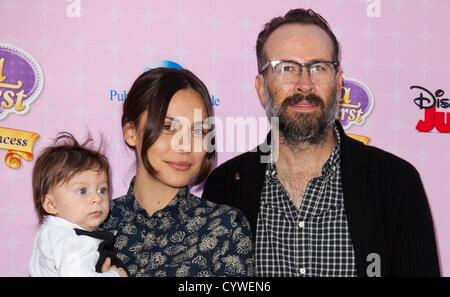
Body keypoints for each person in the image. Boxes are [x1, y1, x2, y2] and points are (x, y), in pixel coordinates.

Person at [202, 8, 440, 277]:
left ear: (338, 84)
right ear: (261, 87)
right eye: (287, 68)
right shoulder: (224, 187)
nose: (305, 85)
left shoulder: (395, 183)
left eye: (318, 68)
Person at [100, 67, 254, 277]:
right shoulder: (96, 222)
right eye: (168, 127)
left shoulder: (225, 227)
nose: (185, 146)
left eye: (198, 131)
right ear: (131, 132)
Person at [29, 133, 127, 277]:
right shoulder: (73, 240)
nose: (97, 198)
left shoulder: (50, 231)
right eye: (82, 191)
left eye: (102, 190)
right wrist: (115, 275)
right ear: (51, 204)